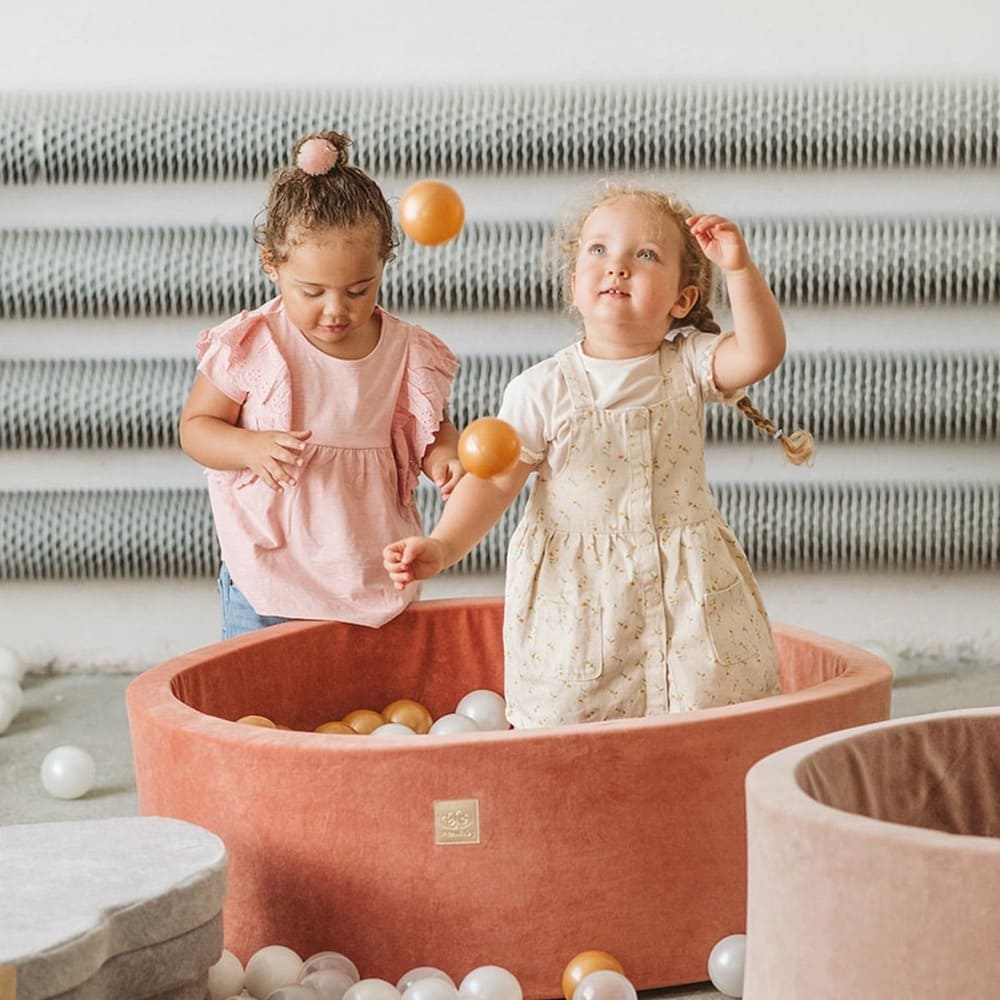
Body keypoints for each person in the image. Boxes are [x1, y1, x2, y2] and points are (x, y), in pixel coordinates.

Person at [384, 183, 814, 728]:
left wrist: (739, 270)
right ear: (574, 286)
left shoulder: (688, 365)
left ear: (681, 301)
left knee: (706, 717)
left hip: (685, 590)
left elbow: (760, 351)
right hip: (582, 601)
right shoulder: (541, 390)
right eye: (598, 251)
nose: (617, 267)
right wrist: (444, 545)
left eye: (645, 255)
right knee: (576, 725)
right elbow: (494, 482)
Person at [180, 130, 463, 639]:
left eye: (359, 289)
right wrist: (248, 445)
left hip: (366, 561)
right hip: (269, 571)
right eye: (312, 291)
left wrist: (444, 458)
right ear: (273, 264)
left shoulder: (405, 350)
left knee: (360, 706)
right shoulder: (255, 344)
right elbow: (196, 429)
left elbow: (430, 427)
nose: (336, 310)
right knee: (260, 704)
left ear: (384, 264)